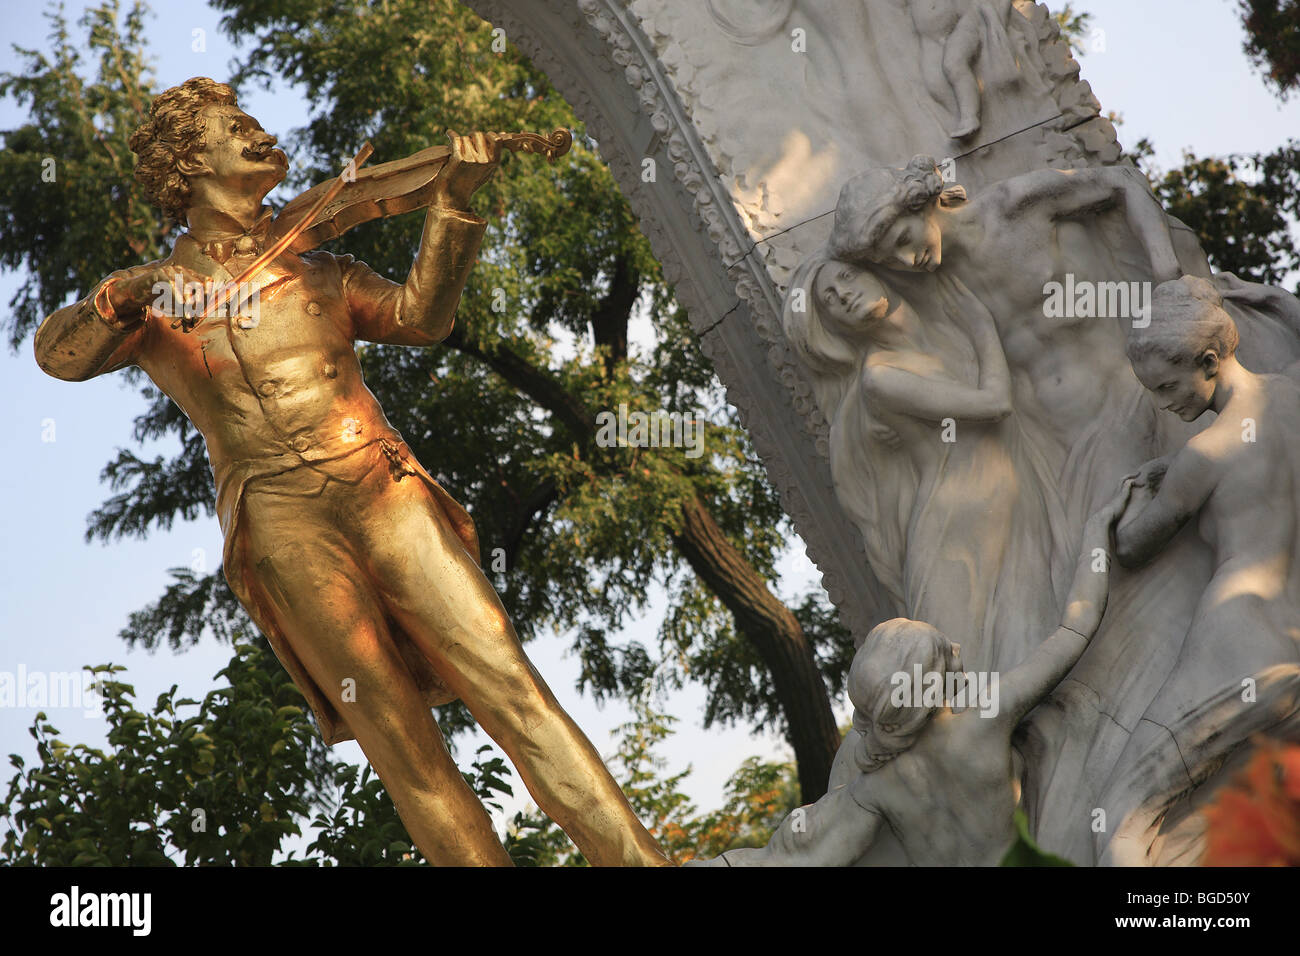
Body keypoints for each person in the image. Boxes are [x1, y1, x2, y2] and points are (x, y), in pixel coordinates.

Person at [32, 77, 668, 866]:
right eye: (238, 127)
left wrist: (453, 206)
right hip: (280, 522)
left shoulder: (320, 266)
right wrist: (125, 290)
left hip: (381, 488)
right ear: (188, 163)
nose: (262, 134)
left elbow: (422, 319)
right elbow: (57, 359)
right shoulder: (156, 302)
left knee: (510, 685)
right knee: (400, 743)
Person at [692, 483, 1132, 866]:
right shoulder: (987, 718)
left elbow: (801, 860)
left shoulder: (876, 786)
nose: (958, 650)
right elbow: (1076, 628)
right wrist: (1098, 529)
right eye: (945, 652)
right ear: (931, 682)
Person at [1099, 276, 1300, 864]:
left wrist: (1120, 508)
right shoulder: (1292, 392)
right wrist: (1275, 299)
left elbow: (1133, 546)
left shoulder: (1205, 454)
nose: (1164, 402)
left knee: (1120, 822)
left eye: (1166, 385)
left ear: (1210, 360)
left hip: (1238, 645)